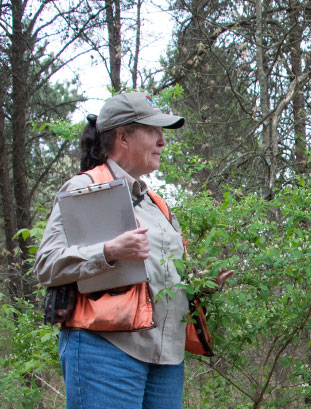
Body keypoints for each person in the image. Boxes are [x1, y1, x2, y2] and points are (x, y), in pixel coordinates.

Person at [34, 92, 233, 409]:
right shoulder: (86, 187)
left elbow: (158, 274)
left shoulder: (158, 205)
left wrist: (201, 283)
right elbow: (46, 265)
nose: (162, 141)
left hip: (166, 358)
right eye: (153, 131)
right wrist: (109, 250)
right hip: (105, 349)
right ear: (123, 137)